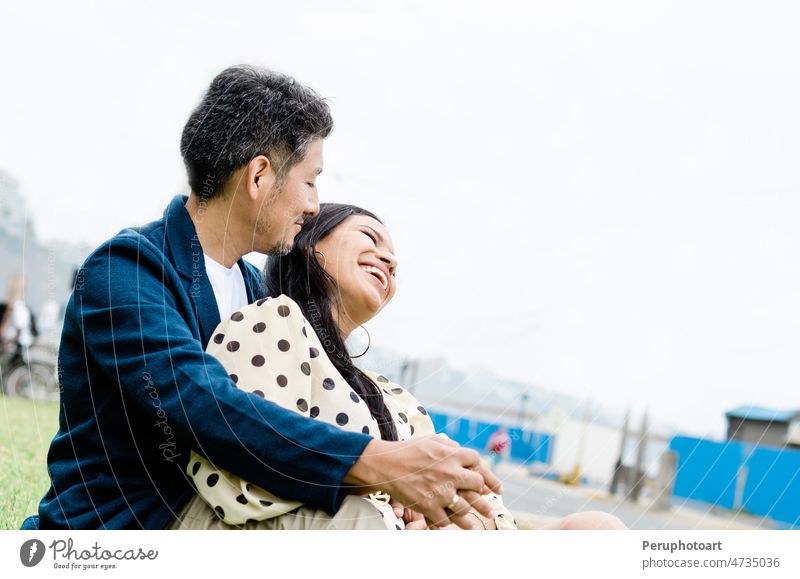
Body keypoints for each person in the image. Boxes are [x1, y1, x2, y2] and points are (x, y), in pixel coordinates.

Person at [27, 65, 500, 530]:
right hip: (127, 529)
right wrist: (380, 466)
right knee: (354, 524)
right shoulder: (125, 271)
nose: (314, 205)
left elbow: (307, 412)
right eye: (310, 180)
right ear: (258, 178)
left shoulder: (261, 294)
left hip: (235, 514)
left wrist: (395, 486)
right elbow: (201, 403)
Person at [171, 204, 626, 531]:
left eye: (394, 258)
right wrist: (384, 489)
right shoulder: (271, 322)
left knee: (596, 530)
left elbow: (464, 499)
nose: (389, 258)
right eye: (370, 238)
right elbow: (238, 476)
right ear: (309, 245)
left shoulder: (390, 392)